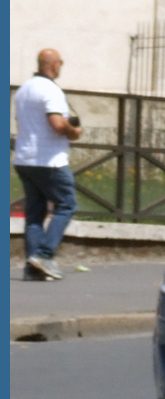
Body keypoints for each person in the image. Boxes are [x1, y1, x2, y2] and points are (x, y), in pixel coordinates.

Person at [13, 49, 83, 280]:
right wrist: (74, 131)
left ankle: (33, 267)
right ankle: (44, 254)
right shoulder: (50, 90)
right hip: (49, 160)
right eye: (60, 62)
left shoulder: (24, 90)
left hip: (25, 159)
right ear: (53, 65)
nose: (61, 66)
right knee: (66, 205)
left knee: (35, 214)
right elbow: (56, 123)